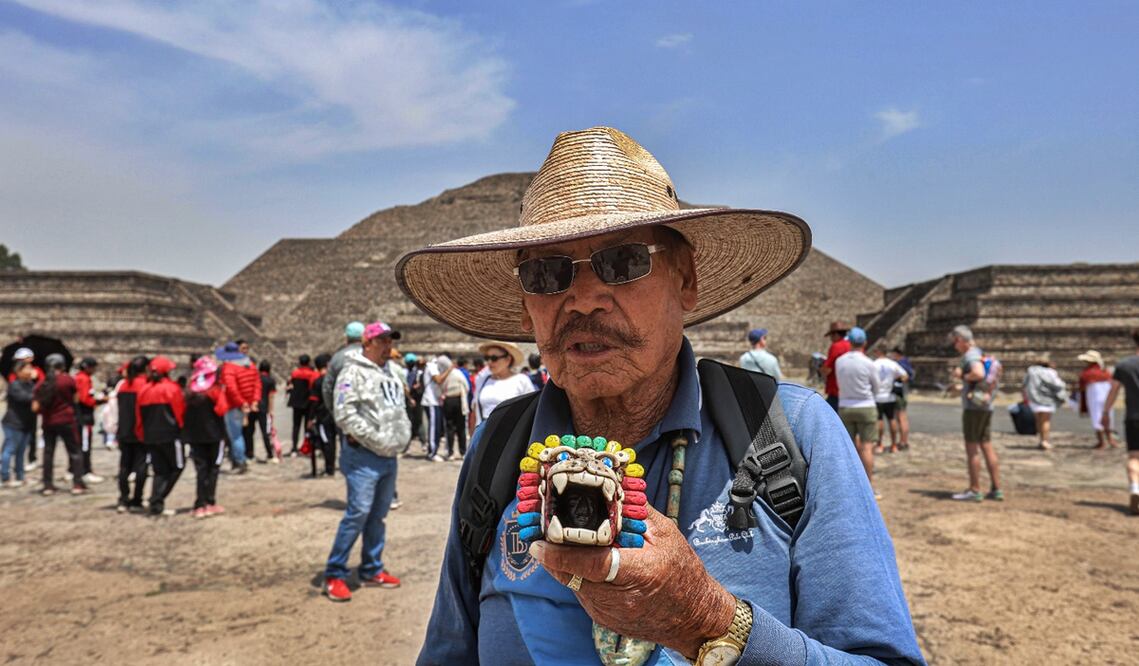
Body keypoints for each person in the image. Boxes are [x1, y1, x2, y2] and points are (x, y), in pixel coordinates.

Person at [405, 127, 922, 664]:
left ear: (686, 281)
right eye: (546, 272)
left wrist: (708, 621)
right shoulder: (498, 448)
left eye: (623, 262)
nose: (583, 299)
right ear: (524, 306)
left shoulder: (791, 431)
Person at [323, 321, 410, 602]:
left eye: (390, 340)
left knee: (378, 515)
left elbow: (398, 408)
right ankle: (335, 572)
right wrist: (376, 439)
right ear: (367, 343)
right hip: (363, 456)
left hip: (389, 455)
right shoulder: (352, 371)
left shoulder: (393, 372)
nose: (389, 345)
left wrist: (400, 437)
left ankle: (371, 567)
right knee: (358, 512)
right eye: (383, 340)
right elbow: (345, 414)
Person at [950, 325, 1003, 502]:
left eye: (955, 341)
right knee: (986, 445)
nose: (954, 345)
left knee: (972, 449)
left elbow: (978, 373)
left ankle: (974, 489)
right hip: (985, 405)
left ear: (961, 340)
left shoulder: (970, 356)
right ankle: (996, 488)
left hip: (974, 408)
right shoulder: (979, 353)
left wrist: (961, 376)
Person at [834, 327, 884, 495]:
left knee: (849, 447)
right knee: (867, 447)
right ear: (864, 343)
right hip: (865, 405)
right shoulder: (868, 363)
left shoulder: (839, 361)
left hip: (846, 406)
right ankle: (868, 487)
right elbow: (877, 387)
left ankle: (849, 485)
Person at [136, 356, 185, 517]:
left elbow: (139, 417)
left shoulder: (144, 390)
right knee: (177, 466)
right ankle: (157, 499)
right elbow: (179, 413)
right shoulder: (172, 389)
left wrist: (142, 434)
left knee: (160, 471)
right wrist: (182, 430)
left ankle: (156, 503)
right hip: (170, 435)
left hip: (151, 436)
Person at [33, 354, 87, 496]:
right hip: (67, 420)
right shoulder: (67, 380)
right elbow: (76, 399)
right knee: (74, 452)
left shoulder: (41, 383)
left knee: (48, 453)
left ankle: (48, 485)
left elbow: (35, 407)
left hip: (48, 422)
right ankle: (77, 483)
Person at [183, 357, 229, 519]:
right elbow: (223, 409)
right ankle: (210, 502)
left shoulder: (189, 392)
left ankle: (199, 504)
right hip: (214, 435)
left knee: (201, 470)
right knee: (213, 469)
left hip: (194, 436)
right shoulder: (215, 391)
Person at [1100, 327, 1139, 515]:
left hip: (1133, 417)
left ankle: (1135, 488)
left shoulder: (1124, 366)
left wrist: (1106, 412)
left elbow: (1113, 391)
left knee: (1134, 457)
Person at [471, 341, 537, 429]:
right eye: (487, 358)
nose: (489, 362)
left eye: (494, 358)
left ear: (508, 359)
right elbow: (476, 412)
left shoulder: (521, 380)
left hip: (511, 434)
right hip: (484, 435)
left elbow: (531, 411)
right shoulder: (482, 380)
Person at [217, 342, 260, 473]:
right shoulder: (250, 365)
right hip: (247, 403)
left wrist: (241, 402)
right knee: (240, 433)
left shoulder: (229, 367)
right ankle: (239, 459)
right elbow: (257, 384)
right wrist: (254, 401)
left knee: (235, 435)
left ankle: (240, 461)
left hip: (234, 405)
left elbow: (231, 387)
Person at [114, 356, 150, 513]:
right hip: (140, 431)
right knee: (141, 466)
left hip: (124, 430)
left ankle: (123, 498)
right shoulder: (145, 385)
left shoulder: (123, 385)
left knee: (124, 466)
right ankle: (137, 499)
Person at [7, 348, 44, 472]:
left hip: (31, 412)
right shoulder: (14, 374)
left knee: (31, 437)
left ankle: (31, 459)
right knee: (14, 440)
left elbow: (43, 386)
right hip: (17, 413)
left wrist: (35, 379)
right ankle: (9, 464)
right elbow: (16, 391)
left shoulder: (37, 372)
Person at [2, 358, 37, 487]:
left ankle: (20, 475)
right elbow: (26, 398)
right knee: (9, 449)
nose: (30, 371)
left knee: (21, 451)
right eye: (27, 368)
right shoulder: (14, 385)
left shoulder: (30, 384)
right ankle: (4, 476)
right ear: (18, 371)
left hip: (26, 423)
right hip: (14, 423)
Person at [1023, 353, 1068, 451]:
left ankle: (1041, 440)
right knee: (1045, 421)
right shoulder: (1050, 372)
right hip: (1047, 399)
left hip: (1033, 398)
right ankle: (1045, 441)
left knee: (1039, 420)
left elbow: (1024, 384)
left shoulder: (1030, 371)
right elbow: (1058, 384)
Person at [74, 357, 108, 483]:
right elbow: (85, 399)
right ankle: (84, 471)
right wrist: (100, 401)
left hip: (82, 416)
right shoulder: (83, 378)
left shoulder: (80, 377)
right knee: (84, 445)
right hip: (83, 417)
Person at [871, 342, 909, 454]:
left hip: (877, 396)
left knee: (879, 420)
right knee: (892, 419)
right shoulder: (892, 364)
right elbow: (905, 376)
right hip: (890, 395)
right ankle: (893, 445)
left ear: (878, 352)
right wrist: (896, 381)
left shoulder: (873, 364)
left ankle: (880, 444)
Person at [1076, 350, 1119, 449]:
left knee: (1097, 418)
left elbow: (1082, 386)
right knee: (1108, 417)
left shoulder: (1087, 373)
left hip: (1094, 398)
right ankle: (1110, 440)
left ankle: (1102, 441)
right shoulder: (1105, 372)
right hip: (1106, 398)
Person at [434, 355, 470, 461]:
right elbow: (466, 386)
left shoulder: (442, 375)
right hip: (458, 400)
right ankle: (463, 452)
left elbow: (439, 389)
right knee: (461, 427)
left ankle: (450, 453)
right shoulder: (457, 373)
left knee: (449, 427)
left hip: (448, 401)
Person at [308, 353, 337, 476]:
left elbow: (314, 402)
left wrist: (310, 418)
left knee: (326, 442)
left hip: (323, 416)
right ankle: (331, 466)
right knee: (333, 441)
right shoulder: (335, 380)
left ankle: (329, 468)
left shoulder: (318, 382)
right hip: (335, 415)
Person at [245, 360, 278, 462]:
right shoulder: (270, 380)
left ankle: (249, 454)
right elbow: (270, 396)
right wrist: (271, 410)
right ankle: (270, 454)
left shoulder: (255, 379)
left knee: (249, 432)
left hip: (252, 406)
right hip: (263, 408)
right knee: (265, 432)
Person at [287, 355, 319, 457]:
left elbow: (290, 384)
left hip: (296, 403)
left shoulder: (295, 373)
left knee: (296, 426)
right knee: (307, 426)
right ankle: (307, 447)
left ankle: (294, 448)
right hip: (308, 403)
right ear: (309, 362)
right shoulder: (312, 374)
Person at [820, 321, 851, 411]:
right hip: (849, 389)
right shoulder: (850, 345)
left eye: (831, 336)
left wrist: (821, 369)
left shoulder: (836, 346)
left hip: (835, 389)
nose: (831, 339)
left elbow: (828, 369)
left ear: (836, 334)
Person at [889, 347, 915, 449]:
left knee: (901, 417)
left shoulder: (901, 363)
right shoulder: (905, 362)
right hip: (903, 392)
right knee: (901, 417)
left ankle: (903, 441)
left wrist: (897, 380)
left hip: (900, 393)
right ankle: (903, 440)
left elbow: (906, 376)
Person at [422, 355, 445, 459]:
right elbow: (438, 379)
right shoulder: (431, 366)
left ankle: (434, 449)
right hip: (431, 400)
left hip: (435, 401)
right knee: (433, 428)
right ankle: (432, 452)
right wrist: (449, 370)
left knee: (437, 427)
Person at [404, 353, 424, 445]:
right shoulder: (407, 372)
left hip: (415, 398)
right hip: (411, 398)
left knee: (417, 420)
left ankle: (421, 439)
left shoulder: (417, 373)